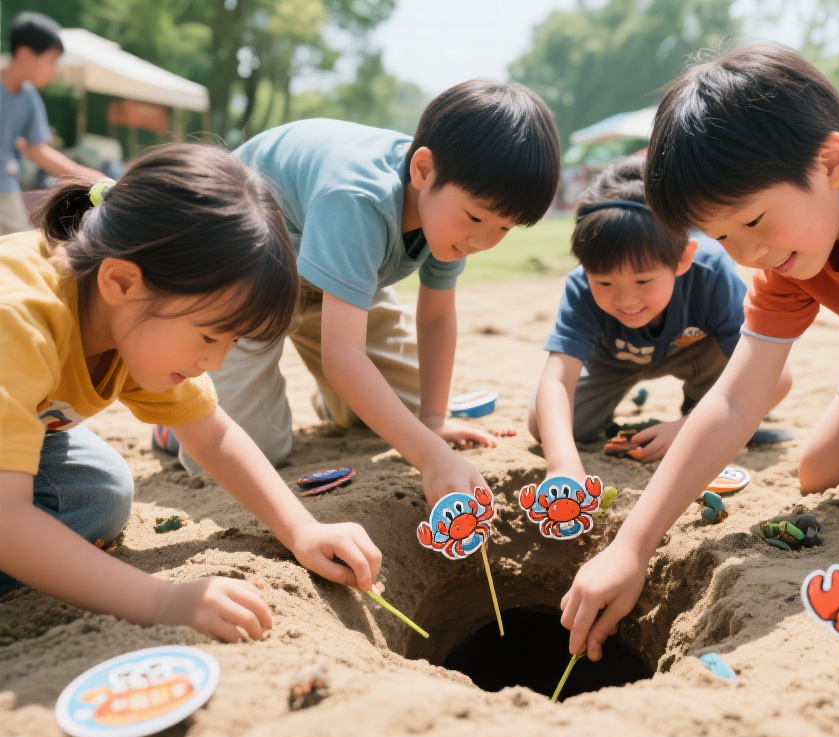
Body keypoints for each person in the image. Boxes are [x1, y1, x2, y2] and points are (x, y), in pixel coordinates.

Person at [560, 43, 839, 661]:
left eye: (753, 221)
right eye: (721, 236)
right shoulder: (788, 256)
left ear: (830, 162)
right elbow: (735, 400)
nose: (746, 253)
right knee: (825, 473)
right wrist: (630, 548)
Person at [0, 144, 382, 642]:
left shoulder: (131, 315)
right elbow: (8, 519)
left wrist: (301, 529)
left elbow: (213, 436)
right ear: (122, 282)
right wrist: (161, 600)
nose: (215, 362)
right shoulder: (18, 322)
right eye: (208, 336)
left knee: (99, 493)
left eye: (231, 341)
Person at [155, 80, 560, 507]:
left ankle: (339, 400)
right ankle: (173, 418)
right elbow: (343, 357)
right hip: (247, 269)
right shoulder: (358, 197)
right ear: (423, 171)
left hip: (333, 278)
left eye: (504, 227)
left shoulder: (450, 217)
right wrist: (431, 457)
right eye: (476, 218)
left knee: (406, 414)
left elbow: (438, 316)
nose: (484, 241)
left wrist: (433, 421)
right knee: (246, 452)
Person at [528, 156, 792, 475]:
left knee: (738, 396)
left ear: (682, 259)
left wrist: (688, 428)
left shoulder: (710, 271)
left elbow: (778, 378)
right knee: (544, 425)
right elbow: (556, 380)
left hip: (699, 353)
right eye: (605, 282)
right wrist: (563, 464)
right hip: (613, 359)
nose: (626, 299)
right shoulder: (581, 284)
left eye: (643, 281)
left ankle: (703, 410)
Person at [0, 12, 103, 235]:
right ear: (25, 55)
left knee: (20, 242)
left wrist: (94, 178)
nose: (55, 70)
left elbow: (39, 152)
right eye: (51, 61)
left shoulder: (29, 98)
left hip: (5, 188)